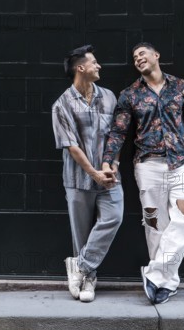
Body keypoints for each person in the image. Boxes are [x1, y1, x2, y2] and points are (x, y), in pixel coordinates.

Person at [102, 42, 184, 304]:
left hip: (179, 163)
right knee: (155, 225)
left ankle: (154, 275)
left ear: (156, 56)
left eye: (142, 53)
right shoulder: (129, 95)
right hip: (147, 166)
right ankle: (165, 283)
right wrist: (109, 161)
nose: (138, 58)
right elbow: (118, 132)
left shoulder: (182, 87)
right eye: (134, 57)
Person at [52, 45, 124, 303]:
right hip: (78, 180)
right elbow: (71, 145)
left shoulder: (109, 97)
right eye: (95, 62)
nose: (99, 66)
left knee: (113, 217)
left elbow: (116, 136)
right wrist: (93, 173)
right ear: (81, 68)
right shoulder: (62, 105)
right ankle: (88, 280)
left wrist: (111, 164)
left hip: (110, 177)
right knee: (81, 235)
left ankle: (79, 267)